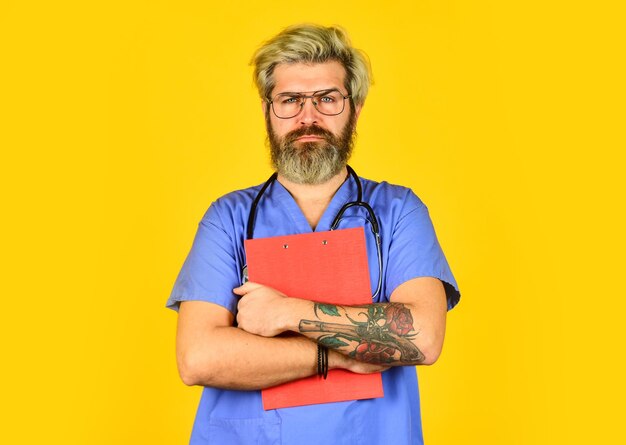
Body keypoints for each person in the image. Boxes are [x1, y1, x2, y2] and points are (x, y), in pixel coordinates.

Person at [167, 24, 460, 445]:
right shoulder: (227, 218)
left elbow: (422, 337)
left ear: (354, 109)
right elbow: (198, 358)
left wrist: (286, 313)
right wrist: (338, 354)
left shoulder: (398, 212)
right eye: (290, 100)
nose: (309, 117)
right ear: (268, 110)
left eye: (327, 98)